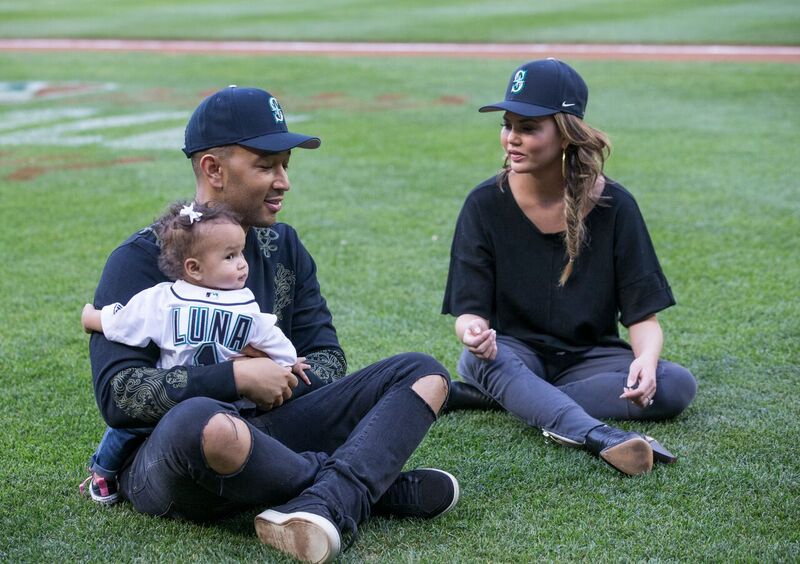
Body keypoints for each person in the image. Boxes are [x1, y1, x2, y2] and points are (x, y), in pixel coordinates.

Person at [87, 85, 458, 563]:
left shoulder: (283, 246)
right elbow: (119, 395)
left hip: (273, 427)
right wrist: (236, 377)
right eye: (266, 165)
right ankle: (368, 489)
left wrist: (277, 379)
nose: (283, 181)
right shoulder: (140, 260)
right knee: (202, 421)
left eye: (286, 165)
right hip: (176, 458)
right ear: (213, 169)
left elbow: (328, 358)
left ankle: (328, 500)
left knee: (423, 373)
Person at [441, 59, 697, 477]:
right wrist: (472, 333)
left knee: (676, 385)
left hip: (589, 358)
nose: (511, 139)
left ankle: (513, 397)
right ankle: (598, 436)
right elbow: (471, 314)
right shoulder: (483, 204)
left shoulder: (616, 206)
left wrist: (647, 362)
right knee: (477, 363)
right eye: (507, 125)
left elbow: (642, 317)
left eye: (528, 128)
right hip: (513, 352)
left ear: (565, 133)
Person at [80, 200, 310, 505]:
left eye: (241, 253)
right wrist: (92, 319)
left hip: (221, 400)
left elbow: (270, 338)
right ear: (194, 268)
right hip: (180, 398)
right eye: (230, 256)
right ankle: (103, 471)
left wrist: (289, 361)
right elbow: (124, 321)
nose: (242, 263)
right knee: (125, 427)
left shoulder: (242, 304)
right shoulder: (168, 300)